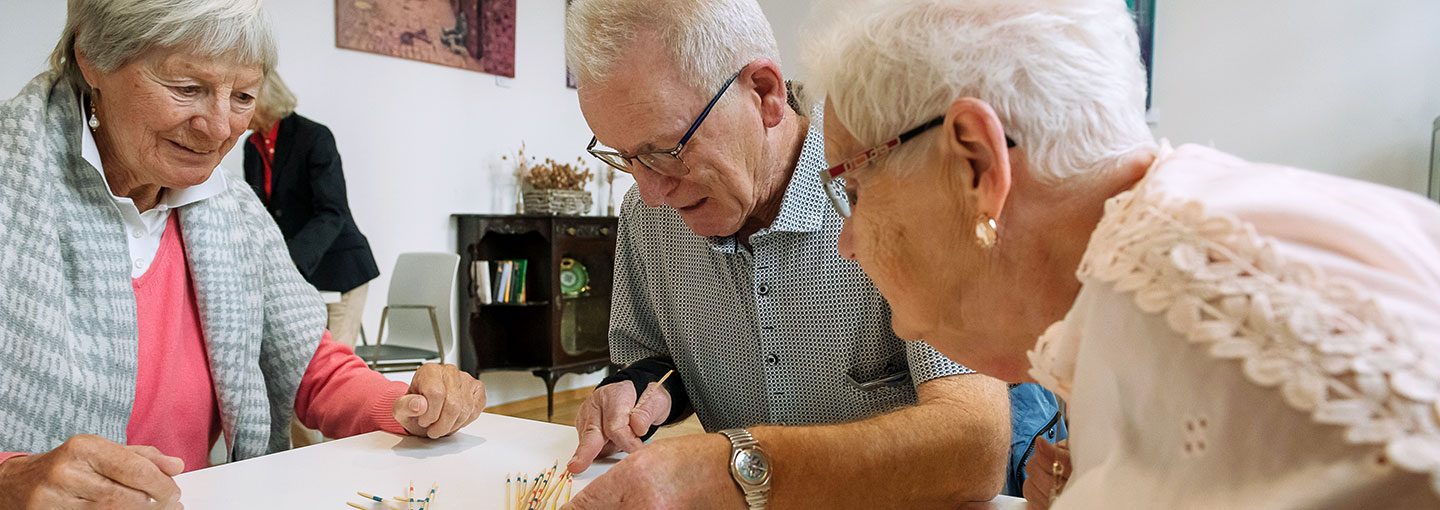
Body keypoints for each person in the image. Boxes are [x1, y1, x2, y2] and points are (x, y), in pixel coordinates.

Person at [806, 0, 1440, 507]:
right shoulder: (1134, 277)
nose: (847, 241)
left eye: (856, 189)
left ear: (976, 163)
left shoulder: (1219, 317)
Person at [560, 0, 1062, 508]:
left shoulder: (889, 181)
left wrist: (738, 469)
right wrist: (643, 388)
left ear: (765, 93)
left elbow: (973, 447)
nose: (650, 190)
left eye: (666, 150)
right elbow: (657, 359)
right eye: (625, 157)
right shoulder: (647, 217)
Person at [0, 1, 486, 508]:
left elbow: (313, 369)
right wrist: (10, 480)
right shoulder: (14, 186)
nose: (218, 129)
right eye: (187, 89)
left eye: (243, 96)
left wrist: (409, 404)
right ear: (92, 58)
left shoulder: (233, 210)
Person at [243, 72, 379, 349]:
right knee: (301, 361)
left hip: (341, 267)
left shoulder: (314, 137)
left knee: (339, 365)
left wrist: (290, 260)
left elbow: (332, 211)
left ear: (264, 97)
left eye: (242, 97)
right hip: (298, 277)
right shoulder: (252, 146)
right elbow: (260, 215)